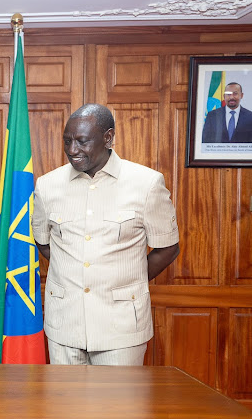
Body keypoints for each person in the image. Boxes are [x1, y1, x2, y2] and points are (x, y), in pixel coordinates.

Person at [31, 103, 180, 366]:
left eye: (82, 141)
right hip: (64, 324)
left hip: (120, 328)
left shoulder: (146, 183)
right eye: (67, 142)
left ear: (108, 138)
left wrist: (126, 277)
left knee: (119, 407)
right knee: (65, 407)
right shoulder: (47, 185)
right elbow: (44, 242)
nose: (72, 150)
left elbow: (168, 248)